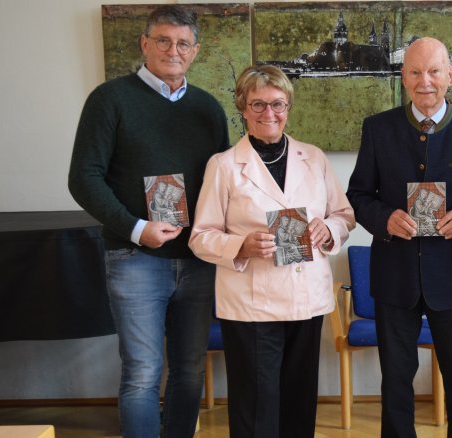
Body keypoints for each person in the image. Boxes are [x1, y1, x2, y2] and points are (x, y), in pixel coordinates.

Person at [67, 5, 229, 437]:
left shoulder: (209, 109)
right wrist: (137, 228)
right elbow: (83, 178)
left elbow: (223, 184)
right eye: (162, 40)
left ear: (194, 51)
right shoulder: (109, 100)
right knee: (141, 372)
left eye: (182, 43)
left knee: (190, 371)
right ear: (144, 44)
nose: (172, 50)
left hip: (197, 261)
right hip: (134, 257)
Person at [346, 37, 452, 438]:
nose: (425, 81)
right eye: (415, 72)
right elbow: (359, 196)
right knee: (395, 383)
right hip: (394, 276)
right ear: (403, 77)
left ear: (450, 75)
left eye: (434, 71)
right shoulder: (377, 129)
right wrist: (386, 219)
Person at [189, 64, 355, 437]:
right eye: (259, 104)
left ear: (289, 107)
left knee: (299, 400)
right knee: (256, 405)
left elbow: (344, 215)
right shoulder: (224, 166)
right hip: (251, 304)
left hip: (305, 299)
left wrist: (326, 229)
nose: (269, 113)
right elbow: (201, 236)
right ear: (243, 108)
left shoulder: (313, 157)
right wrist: (241, 245)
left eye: (277, 104)